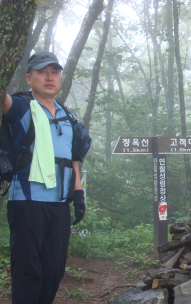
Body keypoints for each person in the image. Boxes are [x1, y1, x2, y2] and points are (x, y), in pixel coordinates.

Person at [4, 51, 86, 304]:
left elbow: (73, 158)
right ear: (29, 78)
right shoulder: (19, 107)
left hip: (60, 205)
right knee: (28, 271)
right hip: (27, 202)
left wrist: (79, 192)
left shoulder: (67, 116)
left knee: (53, 271)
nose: (49, 77)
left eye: (54, 72)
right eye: (42, 72)